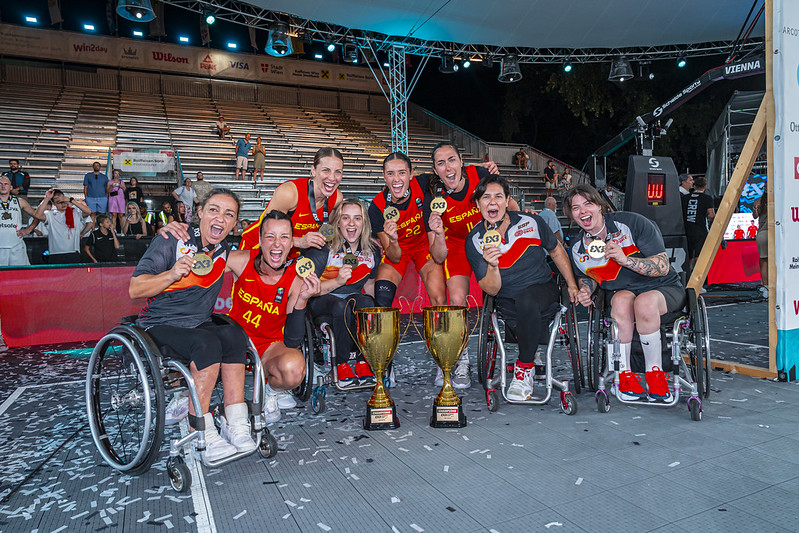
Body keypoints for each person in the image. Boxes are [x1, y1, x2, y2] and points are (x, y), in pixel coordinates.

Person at [130, 189, 257, 463]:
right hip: (159, 325)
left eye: (229, 214)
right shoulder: (172, 238)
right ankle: (198, 429)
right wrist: (172, 273)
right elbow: (135, 288)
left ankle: (235, 423)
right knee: (207, 343)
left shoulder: (224, 250)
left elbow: (273, 250)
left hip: (198, 324)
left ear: (235, 223)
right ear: (199, 211)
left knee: (235, 337)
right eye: (214, 210)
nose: (220, 218)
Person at [565, 184, 685, 402]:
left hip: (661, 287)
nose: (582, 211)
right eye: (575, 208)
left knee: (644, 302)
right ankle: (625, 375)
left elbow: (662, 265)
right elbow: (588, 277)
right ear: (572, 215)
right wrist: (584, 290)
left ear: (600, 206)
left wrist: (625, 260)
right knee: (619, 302)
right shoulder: (577, 247)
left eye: (587, 204)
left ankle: (655, 374)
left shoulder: (631, 223)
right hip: (622, 293)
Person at [466, 175, 578, 400]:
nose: (492, 202)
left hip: (541, 288)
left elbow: (556, 251)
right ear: (478, 203)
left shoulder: (531, 222)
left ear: (507, 200)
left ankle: (524, 368)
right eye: (486, 197)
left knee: (527, 300)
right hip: (506, 295)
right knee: (520, 302)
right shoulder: (475, 240)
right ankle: (529, 353)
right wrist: (493, 266)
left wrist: (572, 285)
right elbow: (492, 290)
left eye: (498, 196)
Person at [424, 142, 512, 388]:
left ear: (462, 161)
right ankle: (460, 359)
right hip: (457, 247)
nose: (448, 167)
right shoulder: (433, 199)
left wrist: (512, 225)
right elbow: (438, 256)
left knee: (511, 286)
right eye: (441, 163)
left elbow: (508, 207)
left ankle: (530, 349)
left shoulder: (480, 175)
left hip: (487, 237)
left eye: (451, 160)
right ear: (435, 169)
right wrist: (438, 232)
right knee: (457, 300)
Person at [227, 210, 322, 422]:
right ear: (260, 241)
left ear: (291, 244)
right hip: (235, 341)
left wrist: (302, 300)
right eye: (270, 237)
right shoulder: (241, 260)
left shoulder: (296, 279)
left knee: (295, 371)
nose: (277, 244)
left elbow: (293, 340)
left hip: (270, 346)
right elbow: (203, 263)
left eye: (284, 237)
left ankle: (272, 390)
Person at [313, 199, 380, 387]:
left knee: (366, 303)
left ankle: (362, 361)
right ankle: (341, 363)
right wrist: (336, 281)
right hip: (322, 297)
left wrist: (376, 317)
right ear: (338, 222)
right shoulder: (324, 248)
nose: (352, 223)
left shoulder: (372, 251)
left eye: (357, 218)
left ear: (364, 223)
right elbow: (309, 289)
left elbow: (370, 284)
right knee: (341, 306)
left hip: (352, 298)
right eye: (346, 218)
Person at [369, 152, 447, 310]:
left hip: (424, 247)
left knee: (439, 300)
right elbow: (393, 256)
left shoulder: (423, 183)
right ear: (384, 176)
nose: (396, 179)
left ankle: (439, 333)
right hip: (398, 249)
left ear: (411, 174)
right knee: (382, 302)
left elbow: (451, 175)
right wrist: (392, 239)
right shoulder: (377, 208)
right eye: (390, 173)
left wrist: (481, 171)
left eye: (402, 173)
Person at [239, 147, 344, 254]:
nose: (332, 178)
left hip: (290, 253)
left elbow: (327, 231)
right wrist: (299, 241)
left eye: (338, 172)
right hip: (256, 247)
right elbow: (267, 233)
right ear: (313, 171)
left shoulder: (336, 199)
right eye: (326, 170)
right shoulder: (289, 193)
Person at [33, 189, 92, 264]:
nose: (63, 204)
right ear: (53, 203)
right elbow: (37, 215)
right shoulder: (50, 214)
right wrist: (46, 198)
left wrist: (71, 200)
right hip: (55, 253)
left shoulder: (75, 212)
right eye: (59, 202)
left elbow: (89, 211)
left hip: (73, 252)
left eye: (64, 201)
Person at [0, 175, 38, 266]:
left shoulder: (20, 201)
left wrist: (29, 229)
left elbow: (37, 216)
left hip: (16, 247)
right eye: (0, 184)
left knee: (20, 277)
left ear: (11, 187)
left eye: (6, 184)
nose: (3, 186)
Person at [681, 176, 715, 273]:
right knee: (699, 256)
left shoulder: (685, 197)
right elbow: (711, 215)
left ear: (694, 186)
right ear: (705, 187)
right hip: (700, 231)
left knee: (689, 256)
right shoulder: (707, 198)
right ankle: (697, 282)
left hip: (686, 230)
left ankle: (686, 279)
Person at [752, 182, 769, 298]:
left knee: (766, 260)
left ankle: (767, 285)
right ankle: (766, 285)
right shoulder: (759, 200)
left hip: (770, 232)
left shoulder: (777, 199)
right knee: (765, 260)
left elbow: (754, 216)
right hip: (765, 232)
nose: (767, 189)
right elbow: (755, 216)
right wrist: (755, 207)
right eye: (766, 187)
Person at [3, 159, 31, 224]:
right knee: (8, 212)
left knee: (24, 213)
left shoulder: (24, 174)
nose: (13, 165)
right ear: (9, 165)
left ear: (18, 165)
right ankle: (8, 226)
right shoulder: (5, 174)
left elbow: (27, 183)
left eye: (14, 164)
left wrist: (17, 189)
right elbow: (2, 183)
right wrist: (11, 190)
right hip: (8, 195)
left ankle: (24, 228)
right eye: (11, 164)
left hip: (21, 194)